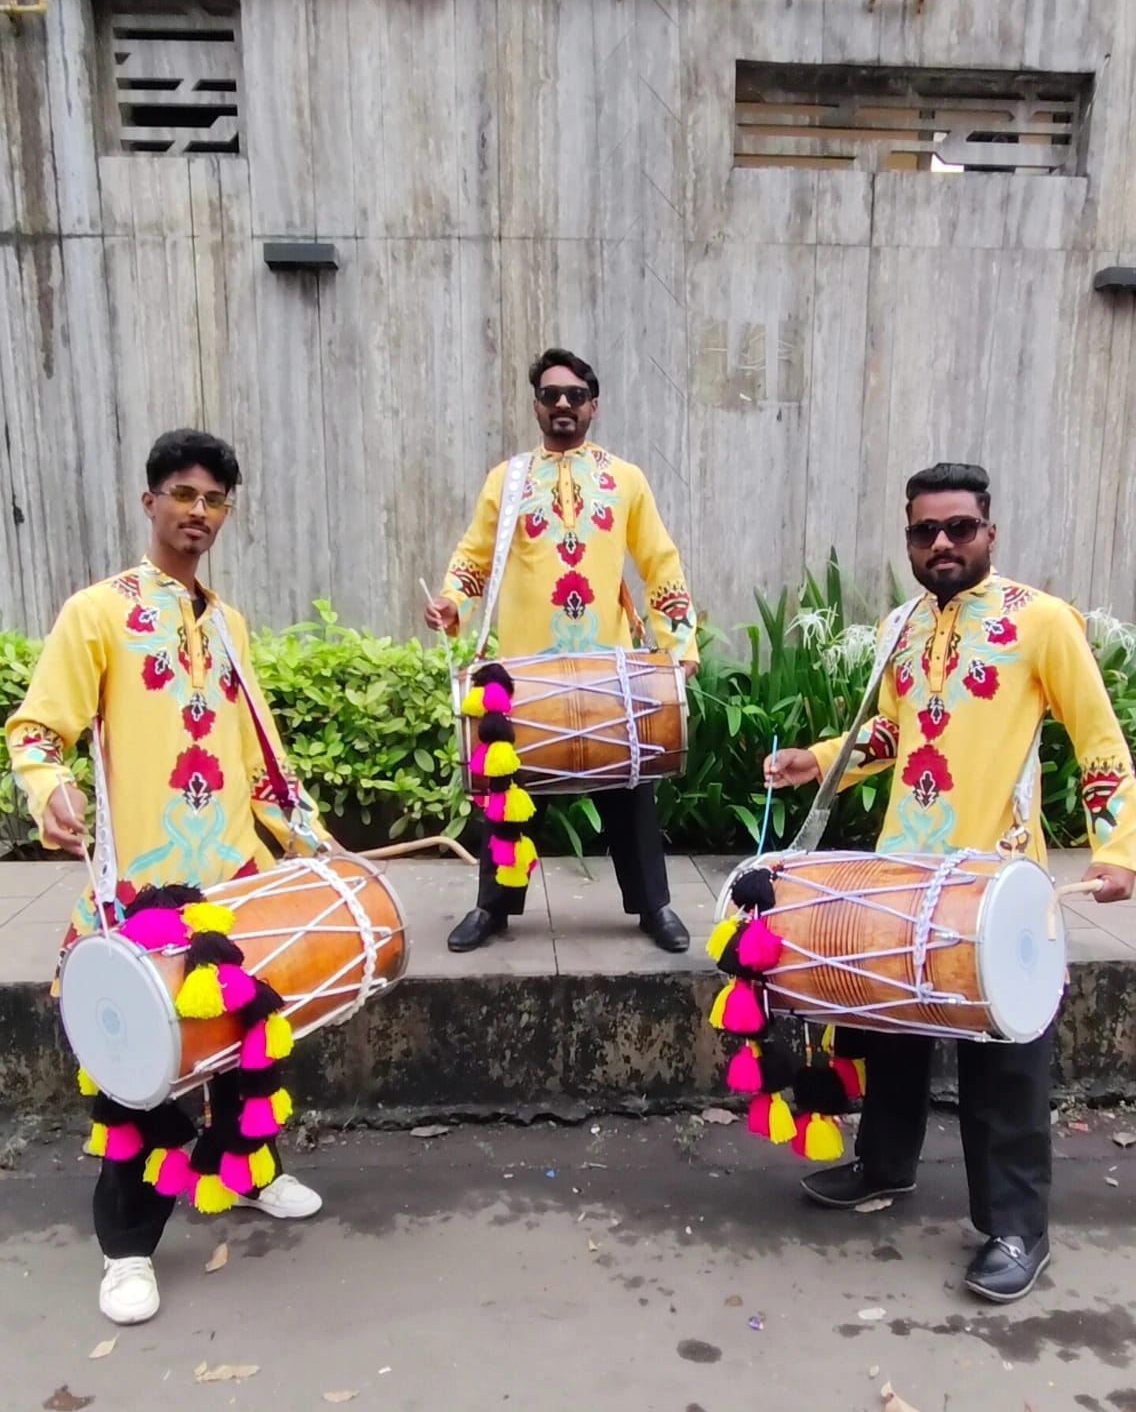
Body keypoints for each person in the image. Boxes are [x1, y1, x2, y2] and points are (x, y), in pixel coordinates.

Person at [765, 462, 1136, 1303]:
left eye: (958, 528)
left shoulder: (1041, 621)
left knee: (1004, 1063)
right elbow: (891, 731)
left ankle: (1015, 1227)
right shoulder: (900, 626)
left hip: (997, 882)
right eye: (924, 530)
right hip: (904, 872)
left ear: (988, 533)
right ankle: (884, 1166)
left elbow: (1098, 737)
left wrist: (1117, 848)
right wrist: (817, 760)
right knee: (890, 1029)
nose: (941, 543)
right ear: (909, 539)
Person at [5, 430, 328, 1326]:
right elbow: (35, 730)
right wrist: (49, 787)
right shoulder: (96, 613)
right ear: (149, 500)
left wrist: (310, 838)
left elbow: (261, 760)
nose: (199, 512)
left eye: (214, 499)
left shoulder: (228, 625)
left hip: (233, 882)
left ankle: (245, 1173)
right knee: (134, 1077)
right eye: (183, 494)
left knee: (242, 1052)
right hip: (142, 892)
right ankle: (127, 1248)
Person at [425, 348, 698, 954]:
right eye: (551, 395)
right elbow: (473, 557)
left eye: (575, 395)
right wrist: (451, 602)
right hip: (528, 675)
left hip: (609, 674)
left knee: (631, 788)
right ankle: (493, 909)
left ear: (593, 405)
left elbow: (659, 560)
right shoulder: (507, 480)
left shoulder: (625, 479)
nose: (563, 405)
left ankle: (653, 907)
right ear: (536, 407)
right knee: (507, 795)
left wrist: (679, 643)